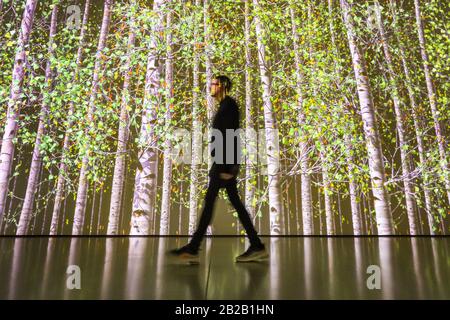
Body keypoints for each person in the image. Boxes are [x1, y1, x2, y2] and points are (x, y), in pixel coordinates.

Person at [169, 75, 268, 264]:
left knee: (210, 204)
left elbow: (231, 136)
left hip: (223, 164)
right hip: (222, 163)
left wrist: (228, 167)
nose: (210, 87)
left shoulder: (229, 106)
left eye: (213, 84)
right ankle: (256, 245)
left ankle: (193, 249)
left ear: (222, 86)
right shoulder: (225, 106)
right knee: (232, 204)